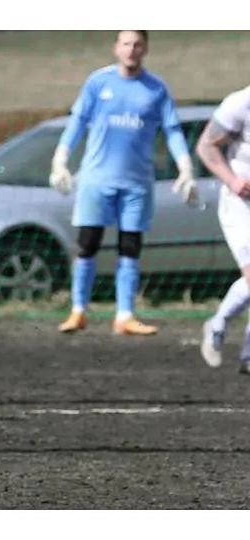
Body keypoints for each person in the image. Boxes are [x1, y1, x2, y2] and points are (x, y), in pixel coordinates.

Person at [51, 30, 197, 336]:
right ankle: (78, 310)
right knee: (87, 244)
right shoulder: (98, 82)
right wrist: (60, 159)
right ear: (116, 48)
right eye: (126, 43)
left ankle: (125, 315)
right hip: (96, 180)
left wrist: (186, 169)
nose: (131, 49)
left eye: (137, 44)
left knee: (130, 246)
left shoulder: (156, 89)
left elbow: (172, 130)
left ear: (145, 49)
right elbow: (77, 122)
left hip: (136, 184)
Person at [197, 85, 250, 372]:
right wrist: (232, 180)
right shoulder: (241, 103)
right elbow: (206, 146)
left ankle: (221, 328)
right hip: (241, 205)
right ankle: (222, 329)